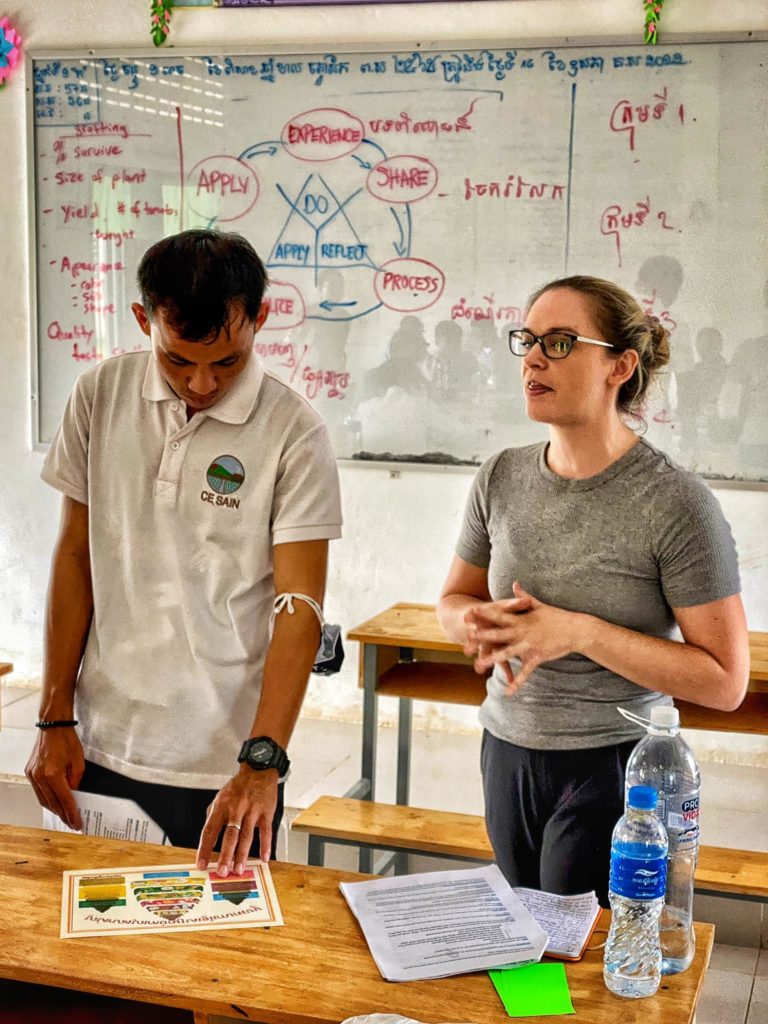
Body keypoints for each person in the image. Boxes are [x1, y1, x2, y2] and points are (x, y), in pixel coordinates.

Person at [26, 229, 342, 878]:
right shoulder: (98, 396)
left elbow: (299, 603)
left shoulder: (294, 431)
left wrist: (264, 760)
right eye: (178, 360)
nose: (202, 383)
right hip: (102, 740)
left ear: (260, 318)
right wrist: (53, 716)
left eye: (226, 362)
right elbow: (74, 557)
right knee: (94, 962)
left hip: (228, 761)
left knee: (220, 964)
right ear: (145, 320)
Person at [437, 275, 749, 906]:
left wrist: (577, 632)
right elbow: (453, 599)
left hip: (616, 763)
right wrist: (479, 624)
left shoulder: (677, 503)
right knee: (527, 944)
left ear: (620, 366)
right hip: (508, 748)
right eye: (527, 340)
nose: (531, 357)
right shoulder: (500, 476)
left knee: (581, 961)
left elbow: (725, 680)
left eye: (558, 342)